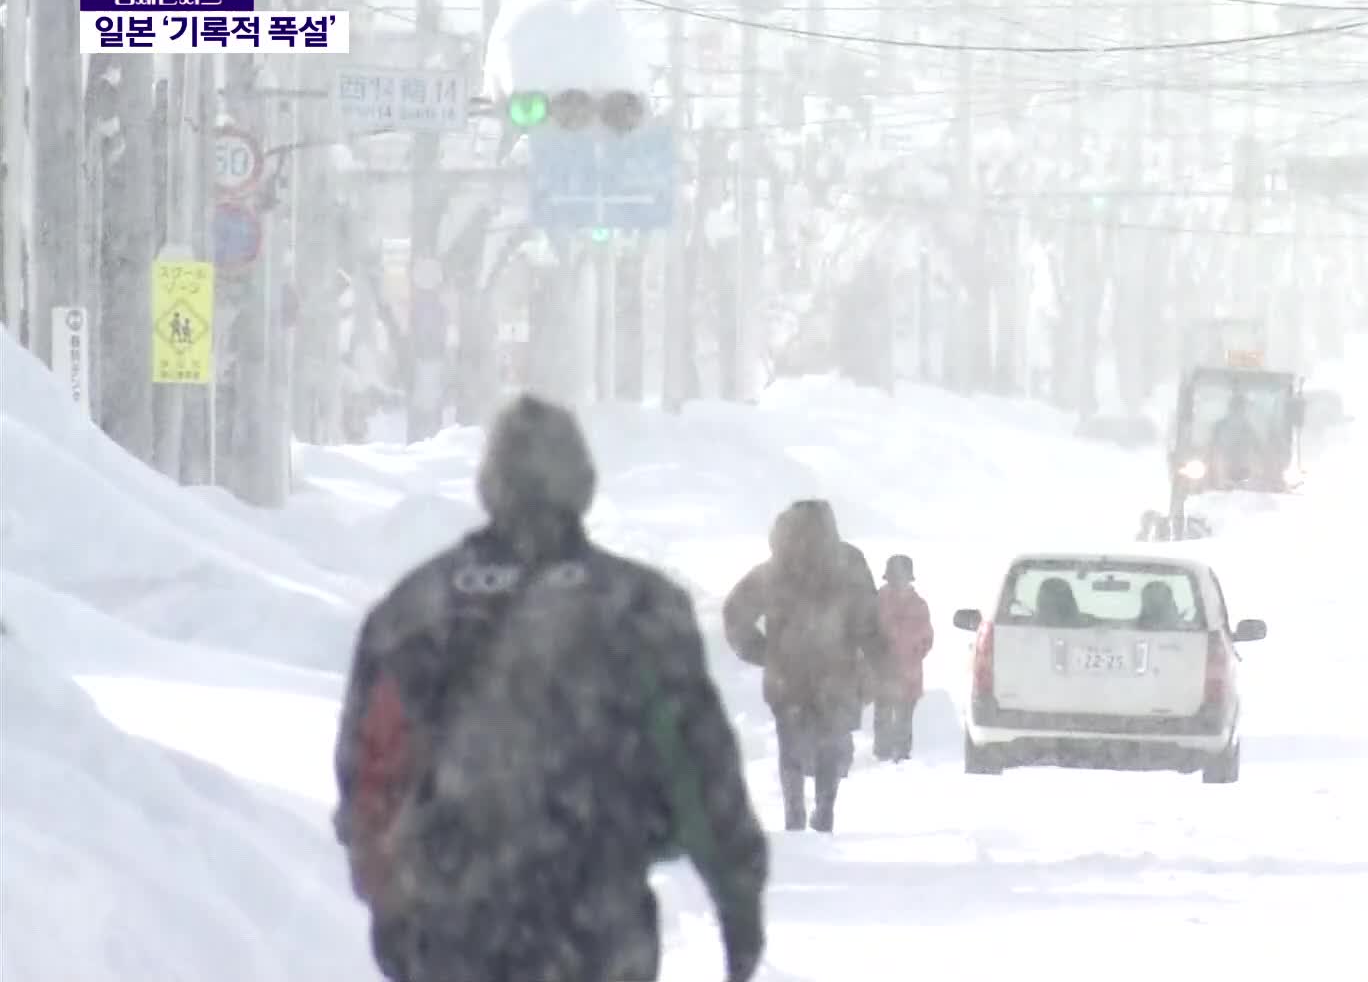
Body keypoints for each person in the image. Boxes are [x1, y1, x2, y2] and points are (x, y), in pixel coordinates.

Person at [332, 394, 767, 982]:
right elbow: (699, 769)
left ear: (491, 485)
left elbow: (371, 774)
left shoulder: (413, 612)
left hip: (451, 922)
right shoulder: (638, 608)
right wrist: (737, 902)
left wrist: (391, 899)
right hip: (598, 925)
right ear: (583, 484)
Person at [723, 499, 887, 833]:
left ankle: (794, 814)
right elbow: (868, 621)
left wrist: (762, 651)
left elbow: (734, 613)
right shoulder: (848, 563)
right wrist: (879, 662)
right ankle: (824, 809)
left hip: (787, 676)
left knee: (790, 743)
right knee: (830, 739)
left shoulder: (775, 569)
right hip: (835, 673)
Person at [872, 554, 934, 762]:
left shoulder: (918, 606)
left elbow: (927, 639)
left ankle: (899, 755)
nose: (898, 582)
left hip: (906, 673)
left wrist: (913, 654)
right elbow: (867, 633)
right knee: (884, 713)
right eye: (894, 578)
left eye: (901, 578)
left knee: (903, 716)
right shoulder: (877, 602)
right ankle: (884, 754)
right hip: (887, 672)